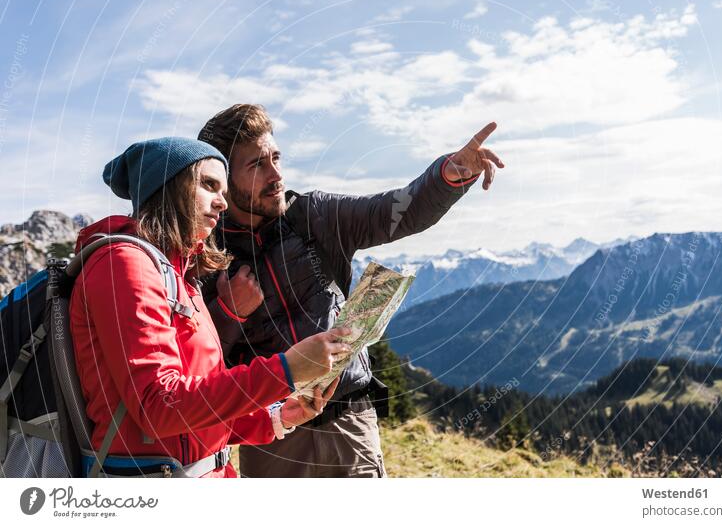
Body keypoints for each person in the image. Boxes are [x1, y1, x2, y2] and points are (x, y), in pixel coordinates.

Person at [199, 105, 504, 477]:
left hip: (349, 422)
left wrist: (449, 175)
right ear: (224, 179)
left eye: (276, 158)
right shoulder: (207, 255)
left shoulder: (316, 215)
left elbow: (398, 211)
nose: (276, 175)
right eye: (256, 165)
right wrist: (228, 313)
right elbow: (200, 362)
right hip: (272, 435)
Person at [69, 137, 350, 478]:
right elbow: (160, 406)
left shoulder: (181, 277)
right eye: (208, 185)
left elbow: (198, 406)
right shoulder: (123, 264)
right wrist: (286, 370)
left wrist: (277, 416)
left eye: (224, 192)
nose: (221, 203)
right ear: (168, 187)